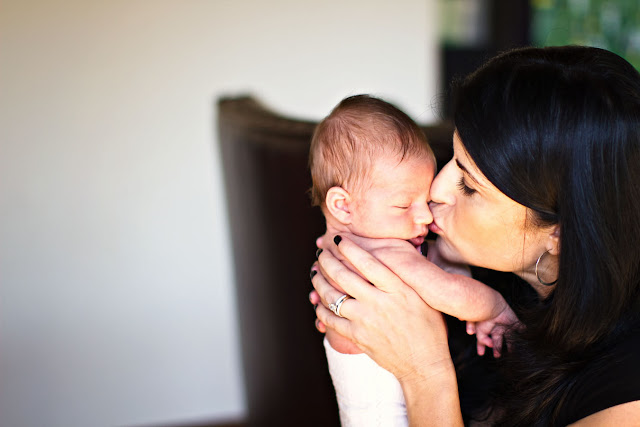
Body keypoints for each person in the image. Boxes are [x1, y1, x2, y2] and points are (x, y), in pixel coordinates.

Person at [310, 45, 640, 426]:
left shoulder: (624, 401)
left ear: (559, 232)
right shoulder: (477, 265)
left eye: (468, 185)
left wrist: (426, 375)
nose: (435, 190)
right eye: (451, 158)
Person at [309, 95, 518, 426]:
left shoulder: (356, 245)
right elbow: (450, 293)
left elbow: (434, 271)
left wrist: (449, 266)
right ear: (343, 206)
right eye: (404, 205)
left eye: (425, 198)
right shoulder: (382, 253)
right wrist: (493, 308)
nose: (425, 216)